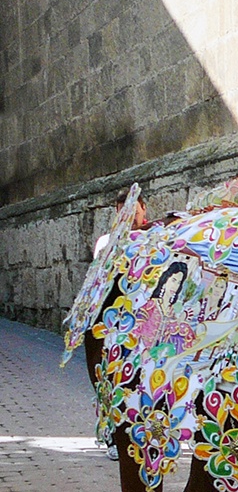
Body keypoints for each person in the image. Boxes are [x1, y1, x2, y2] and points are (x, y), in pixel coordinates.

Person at [94, 189, 147, 460]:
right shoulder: (107, 242)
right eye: (123, 211)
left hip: (144, 326)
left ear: (144, 209)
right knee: (112, 381)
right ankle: (113, 437)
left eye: (134, 211)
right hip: (114, 325)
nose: (130, 217)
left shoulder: (155, 238)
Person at [94, 188, 147, 257]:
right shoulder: (105, 242)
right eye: (124, 215)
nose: (130, 219)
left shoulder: (156, 237)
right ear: (117, 213)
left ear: (144, 209)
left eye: (135, 213)